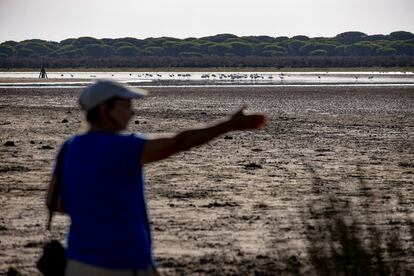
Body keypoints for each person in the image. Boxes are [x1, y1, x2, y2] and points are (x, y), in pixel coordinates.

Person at [46, 80, 268, 275]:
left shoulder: (69, 147)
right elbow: (177, 143)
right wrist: (229, 125)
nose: (132, 112)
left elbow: (54, 202)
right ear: (105, 111)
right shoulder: (124, 147)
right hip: (122, 263)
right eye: (126, 106)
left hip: (77, 262)